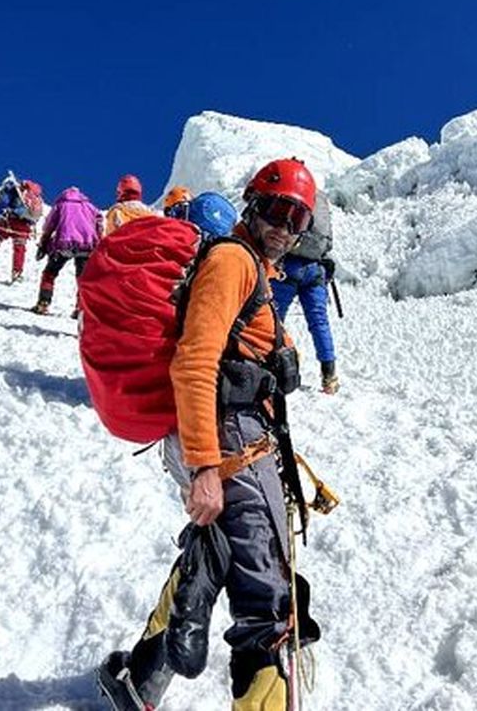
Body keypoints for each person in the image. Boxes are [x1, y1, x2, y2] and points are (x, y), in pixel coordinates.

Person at [96, 159, 321, 711]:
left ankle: (139, 683)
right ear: (251, 204)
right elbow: (195, 362)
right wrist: (204, 468)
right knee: (265, 597)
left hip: (236, 438)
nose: (284, 226)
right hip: (226, 443)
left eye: (298, 219)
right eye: (275, 208)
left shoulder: (256, 274)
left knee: (217, 556)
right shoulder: (232, 262)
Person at [271, 189, 340, 394]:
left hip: (289, 266)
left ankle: (278, 363)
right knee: (319, 321)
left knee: (274, 318)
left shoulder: (292, 195)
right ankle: (329, 376)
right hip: (316, 269)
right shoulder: (321, 202)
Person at [31, 186, 102, 316]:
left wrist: (44, 243)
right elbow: (99, 222)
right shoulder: (90, 206)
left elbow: (49, 225)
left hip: (64, 244)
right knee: (82, 279)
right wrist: (98, 242)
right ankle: (80, 309)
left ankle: (43, 303)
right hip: (87, 246)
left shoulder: (61, 204)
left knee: (50, 273)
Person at [0, 176, 43, 283]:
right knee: (19, 249)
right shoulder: (34, 193)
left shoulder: (11, 187)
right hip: (25, 225)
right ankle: (17, 274)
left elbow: (2, 203)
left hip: (9, 221)